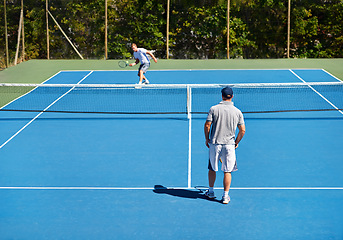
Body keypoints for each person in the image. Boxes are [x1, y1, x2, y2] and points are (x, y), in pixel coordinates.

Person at [204, 86, 246, 204]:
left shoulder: (214, 109)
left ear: (222, 96)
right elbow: (242, 130)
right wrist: (236, 142)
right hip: (229, 146)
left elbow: (207, 125)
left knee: (212, 168)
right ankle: (225, 196)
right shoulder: (237, 112)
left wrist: (207, 139)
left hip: (215, 144)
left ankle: (211, 192)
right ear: (232, 96)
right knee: (228, 171)